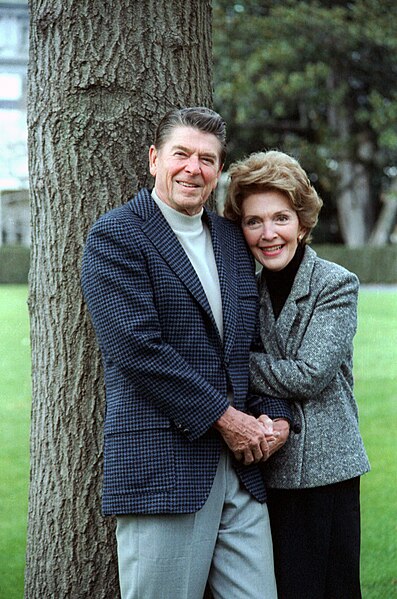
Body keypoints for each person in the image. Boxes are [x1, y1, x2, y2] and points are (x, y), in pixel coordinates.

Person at [81, 108, 292, 599]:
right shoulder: (116, 236)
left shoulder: (229, 239)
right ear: (155, 159)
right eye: (181, 154)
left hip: (242, 471)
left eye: (207, 159)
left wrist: (275, 417)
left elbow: (250, 344)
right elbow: (137, 350)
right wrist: (227, 420)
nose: (193, 168)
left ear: (219, 170)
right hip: (163, 465)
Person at [223, 149, 370, 599]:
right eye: (254, 222)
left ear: (302, 223)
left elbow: (308, 375)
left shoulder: (335, 283)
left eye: (280, 218)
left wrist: (223, 365)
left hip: (325, 470)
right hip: (265, 466)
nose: (268, 234)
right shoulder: (244, 287)